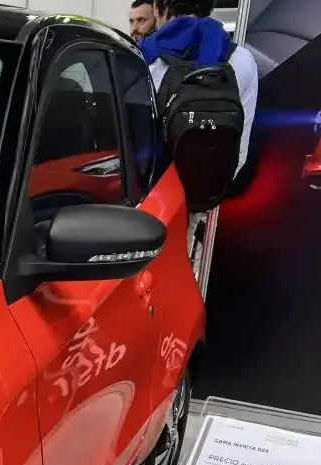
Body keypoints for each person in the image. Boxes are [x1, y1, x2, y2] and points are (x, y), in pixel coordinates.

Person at [140, 0, 259, 285]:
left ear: (158, 7)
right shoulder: (241, 60)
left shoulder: (143, 57)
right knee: (172, 282)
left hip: (141, 203)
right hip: (196, 198)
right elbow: (238, 154)